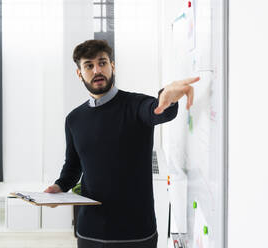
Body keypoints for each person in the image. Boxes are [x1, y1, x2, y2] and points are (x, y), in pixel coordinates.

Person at [44, 39, 199, 248]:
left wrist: (167, 98)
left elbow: (158, 110)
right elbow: (73, 166)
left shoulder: (137, 105)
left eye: (102, 62)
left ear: (112, 66)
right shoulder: (74, 119)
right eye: (89, 65)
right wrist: (59, 186)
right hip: (90, 231)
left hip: (136, 232)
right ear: (79, 73)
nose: (97, 70)